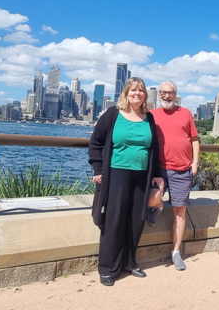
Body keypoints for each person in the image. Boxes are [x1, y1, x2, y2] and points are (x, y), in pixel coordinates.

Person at [88, 77, 160, 286]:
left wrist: (156, 175)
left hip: (142, 176)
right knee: (114, 219)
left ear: (145, 95)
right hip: (116, 174)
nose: (137, 94)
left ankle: (129, 262)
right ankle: (108, 268)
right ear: (126, 93)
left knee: (136, 219)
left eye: (141, 91)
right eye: (133, 91)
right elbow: (96, 142)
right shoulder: (113, 114)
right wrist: (98, 168)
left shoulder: (149, 118)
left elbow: (154, 149)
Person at [148, 81, 200, 271]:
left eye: (170, 93)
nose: (166, 96)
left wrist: (195, 163)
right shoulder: (151, 115)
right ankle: (159, 206)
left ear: (175, 94)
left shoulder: (185, 113)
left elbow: (194, 139)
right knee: (152, 199)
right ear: (159, 94)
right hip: (159, 169)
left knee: (179, 211)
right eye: (163, 92)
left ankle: (176, 252)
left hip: (182, 170)